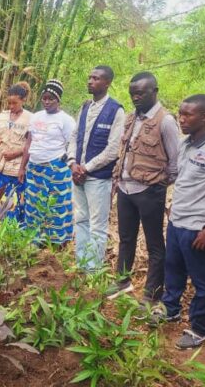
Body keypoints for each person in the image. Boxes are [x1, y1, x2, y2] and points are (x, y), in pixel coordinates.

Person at [148, 94, 205, 350]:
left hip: (198, 227)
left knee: (202, 280)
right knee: (173, 269)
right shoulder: (186, 144)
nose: (181, 119)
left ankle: (199, 328)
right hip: (177, 222)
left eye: (188, 115)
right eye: (180, 113)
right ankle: (170, 309)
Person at [108, 72, 179, 303]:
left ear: (154, 91)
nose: (135, 98)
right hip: (126, 189)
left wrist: (158, 185)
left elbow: (175, 162)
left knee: (154, 243)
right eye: (132, 94)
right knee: (126, 238)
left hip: (149, 191)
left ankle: (153, 292)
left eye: (140, 93)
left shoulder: (166, 121)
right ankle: (123, 280)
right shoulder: (131, 118)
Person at [67, 66, 125, 271]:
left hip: (98, 179)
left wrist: (86, 168)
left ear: (107, 83)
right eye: (89, 77)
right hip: (77, 176)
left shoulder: (116, 110)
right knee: (80, 220)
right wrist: (73, 163)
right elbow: (74, 137)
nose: (90, 81)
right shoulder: (84, 107)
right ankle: (81, 265)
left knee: (97, 227)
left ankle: (93, 271)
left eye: (96, 78)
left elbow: (113, 149)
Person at [19, 79, 76, 247]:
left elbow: (71, 145)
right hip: (35, 168)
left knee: (56, 204)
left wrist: (65, 164)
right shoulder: (36, 116)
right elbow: (29, 143)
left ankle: (57, 242)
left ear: (58, 100)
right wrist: (22, 167)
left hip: (55, 168)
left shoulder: (66, 120)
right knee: (34, 203)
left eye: (51, 98)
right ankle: (35, 240)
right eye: (44, 98)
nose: (47, 101)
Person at [0, 82, 33, 221]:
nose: (11, 107)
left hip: (17, 167)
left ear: (23, 100)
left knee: (15, 200)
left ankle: (13, 231)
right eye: (9, 103)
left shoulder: (30, 118)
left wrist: (16, 154)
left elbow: (31, 144)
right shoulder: (2, 116)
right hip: (0, 166)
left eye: (15, 103)